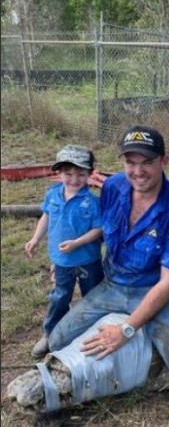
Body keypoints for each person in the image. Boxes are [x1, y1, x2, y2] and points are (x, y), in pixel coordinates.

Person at [48, 125, 169, 394]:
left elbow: (167, 284)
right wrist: (62, 260)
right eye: (130, 162)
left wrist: (126, 329)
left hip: (161, 291)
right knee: (56, 342)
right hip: (115, 284)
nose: (137, 172)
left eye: (147, 163)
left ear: (164, 161)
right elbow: (102, 233)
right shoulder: (114, 187)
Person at [25, 145, 104, 358]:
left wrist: (78, 243)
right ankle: (50, 333)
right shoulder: (53, 195)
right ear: (59, 173)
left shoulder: (92, 202)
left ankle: (93, 329)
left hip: (88, 259)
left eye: (80, 174)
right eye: (68, 174)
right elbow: (46, 217)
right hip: (62, 260)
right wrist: (35, 239)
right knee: (60, 296)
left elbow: (99, 229)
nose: (74, 179)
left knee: (92, 294)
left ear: (90, 173)